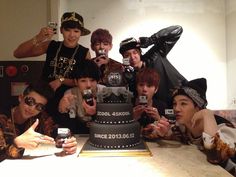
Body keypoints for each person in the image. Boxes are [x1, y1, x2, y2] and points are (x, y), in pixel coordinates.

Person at [13, 12, 91, 119]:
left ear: (80, 33)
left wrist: (61, 80)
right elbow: (18, 54)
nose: (72, 35)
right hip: (41, 99)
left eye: (76, 31)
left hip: (67, 100)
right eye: (67, 30)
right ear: (61, 30)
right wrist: (38, 37)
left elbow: (86, 81)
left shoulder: (84, 52)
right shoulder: (51, 45)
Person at [154, 78, 236, 175]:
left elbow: (215, 157)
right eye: (175, 104)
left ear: (198, 107)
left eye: (183, 103)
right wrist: (162, 133)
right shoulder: (183, 127)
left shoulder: (224, 127)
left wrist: (207, 114)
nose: (176, 109)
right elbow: (153, 132)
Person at [0, 81, 77, 161]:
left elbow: (54, 130)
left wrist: (68, 140)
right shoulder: (2, 118)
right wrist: (16, 143)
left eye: (39, 107)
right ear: (21, 98)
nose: (32, 108)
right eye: (30, 101)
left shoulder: (39, 117)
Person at [119, 25, 187, 107]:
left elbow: (178, 30)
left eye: (135, 52)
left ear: (140, 52)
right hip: (169, 108)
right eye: (127, 55)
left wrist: (150, 40)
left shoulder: (155, 55)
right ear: (124, 59)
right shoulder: (132, 77)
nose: (132, 57)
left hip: (186, 94)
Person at [58, 60, 104, 134]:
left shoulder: (105, 92)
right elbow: (70, 126)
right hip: (80, 132)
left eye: (92, 80)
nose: (88, 85)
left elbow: (112, 123)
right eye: (83, 81)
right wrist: (64, 111)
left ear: (98, 81)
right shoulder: (71, 94)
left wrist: (95, 114)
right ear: (76, 82)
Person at [132, 68, 170, 139]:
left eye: (149, 86)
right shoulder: (128, 105)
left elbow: (168, 133)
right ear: (136, 87)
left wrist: (158, 119)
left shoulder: (162, 106)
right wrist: (132, 118)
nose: (144, 89)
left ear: (156, 89)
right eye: (141, 85)